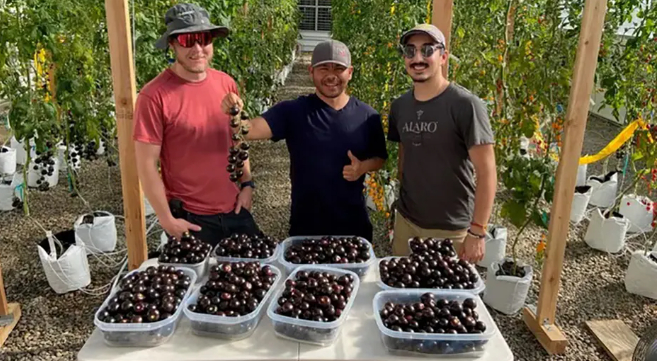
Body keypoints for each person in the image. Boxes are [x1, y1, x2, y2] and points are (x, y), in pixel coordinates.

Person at [221, 40, 388, 242]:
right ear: (311, 71)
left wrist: (362, 167)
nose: (331, 75)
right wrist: (234, 112)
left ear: (350, 72)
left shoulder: (368, 116)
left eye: (339, 68)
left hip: (353, 228)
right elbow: (250, 129)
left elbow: (380, 158)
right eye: (323, 68)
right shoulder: (293, 112)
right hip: (306, 227)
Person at [133, 3, 259, 246]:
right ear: (172, 44)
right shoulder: (154, 96)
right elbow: (147, 164)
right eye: (188, 40)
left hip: (234, 208)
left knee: (258, 274)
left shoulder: (226, 83)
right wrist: (167, 220)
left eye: (204, 38)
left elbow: (238, 138)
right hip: (192, 217)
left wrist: (247, 184)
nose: (198, 48)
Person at [387, 24, 497, 263]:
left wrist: (477, 230)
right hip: (407, 223)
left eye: (428, 50)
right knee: (403, 294)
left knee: (447, 299)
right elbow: (405, 156)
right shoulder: (399, 107)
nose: (418, 58)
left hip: (451, 229)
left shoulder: (465, 105)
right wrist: (397, 213)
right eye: (410, 51)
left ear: (443, 57)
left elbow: (487, 171)